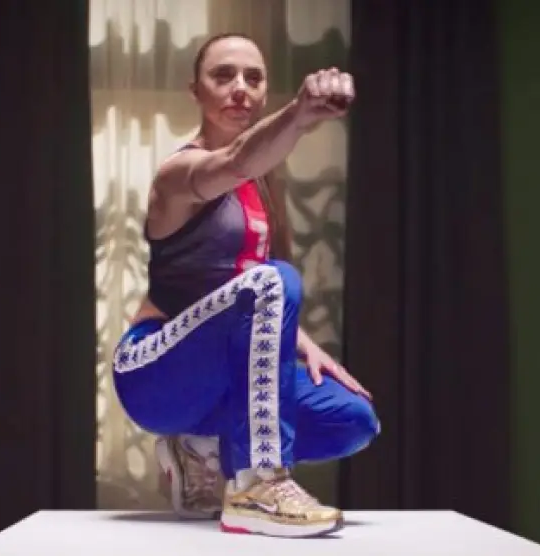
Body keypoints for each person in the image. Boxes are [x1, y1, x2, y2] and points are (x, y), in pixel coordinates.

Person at [110, 32, 380, 538]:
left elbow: (246, 282)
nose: (240, 87)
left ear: (262, 91)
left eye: (253, 78)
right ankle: (258, 486)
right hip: (154, 371)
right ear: (196, 91)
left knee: (352, 418)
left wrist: (304, 345)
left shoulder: (265, 184)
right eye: (223, 76)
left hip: (225, 375)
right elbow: (235, 160)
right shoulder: (180, 174)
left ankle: (204, 447)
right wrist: (299, 114)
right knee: (275, 279)